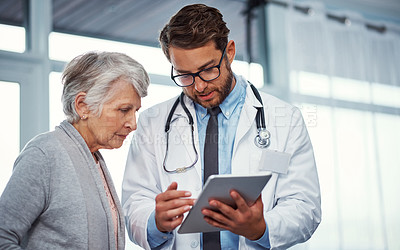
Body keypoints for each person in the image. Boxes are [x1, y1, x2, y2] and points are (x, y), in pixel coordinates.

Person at [122, 4, 321, 250]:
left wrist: (260, 228)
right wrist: (155, 221)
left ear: (229, 52)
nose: (199, 86)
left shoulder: (286, 119)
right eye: (185, 75)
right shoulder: (153, 123)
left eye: (207, 70)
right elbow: (133, 204)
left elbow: (305, 207)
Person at [0, 51, 150, 249]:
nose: (133, 123)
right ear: (83, 106)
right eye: (124, 110)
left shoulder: (94, 158)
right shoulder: (45, 154)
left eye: (135, 111)